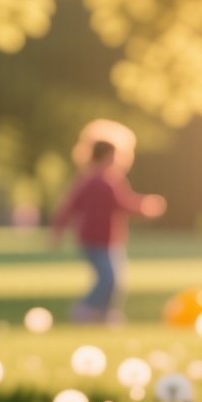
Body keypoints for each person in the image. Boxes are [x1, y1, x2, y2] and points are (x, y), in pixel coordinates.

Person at [50, 121, 165, 323]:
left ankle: (104, 314)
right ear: (106, 155)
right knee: (108, 278)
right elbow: (119, 204)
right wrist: (145, 207)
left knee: (115, 280)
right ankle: (85, 309)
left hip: (109, 239)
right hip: (94, 239)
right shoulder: (96, 180)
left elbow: (121, 202)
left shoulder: (109, 179)